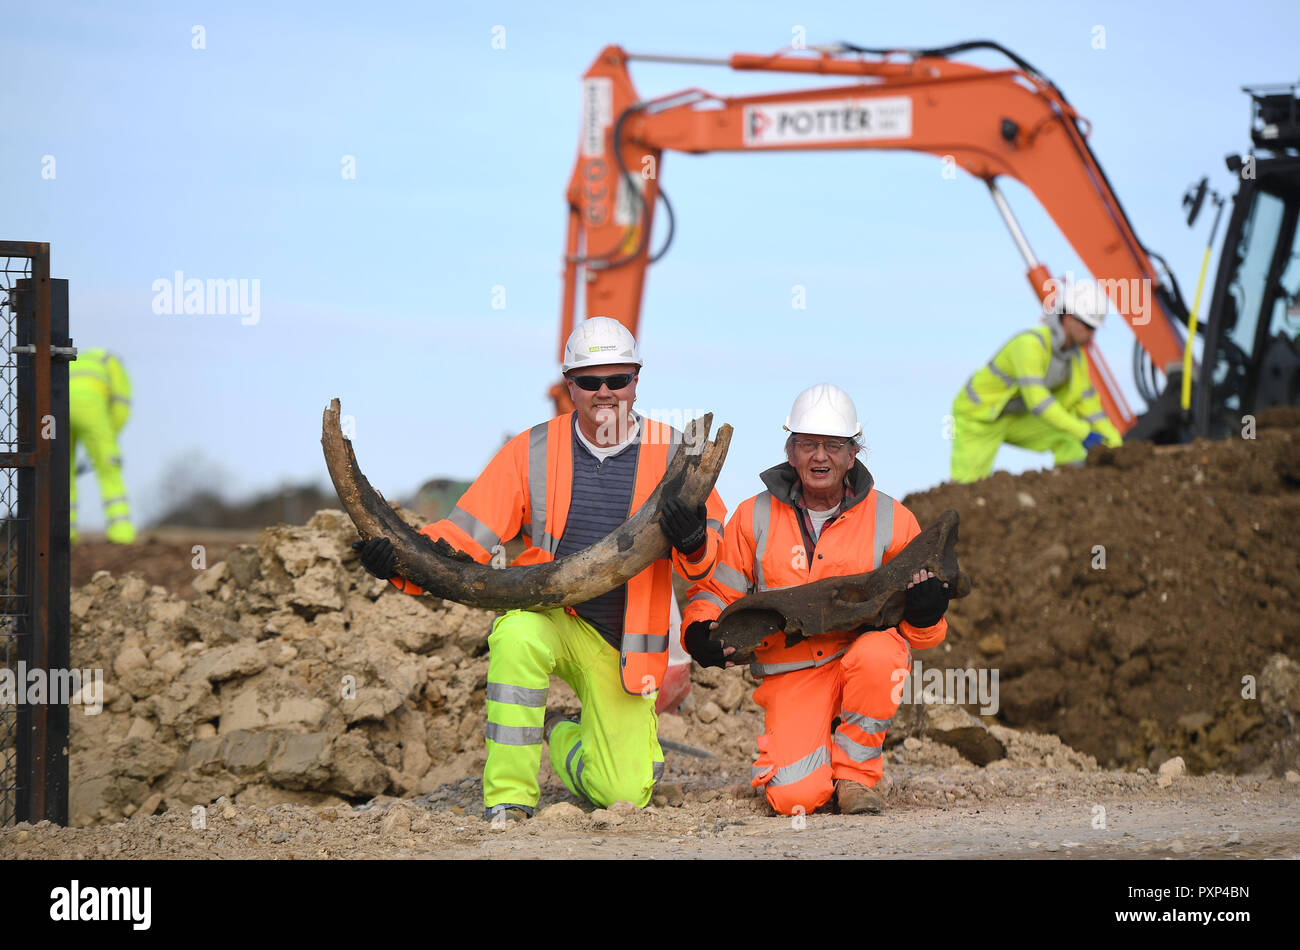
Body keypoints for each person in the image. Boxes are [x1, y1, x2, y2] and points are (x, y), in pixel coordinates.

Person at [355, 317, 726, 820]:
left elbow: (712, 560)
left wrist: (695, 539)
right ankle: (509, 799)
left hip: (622, 646)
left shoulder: (678, 454)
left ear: (636, 381)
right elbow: (466, 536)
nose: (605, 393)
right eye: (590, 381)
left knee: (622, 793)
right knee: (515, 637)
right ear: (569, 386)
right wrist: (400, 562)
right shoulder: (530, 452)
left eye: (618, 380)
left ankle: (561, 735)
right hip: (551, 616)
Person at [681, 383, 949, 816]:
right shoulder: (754, 516)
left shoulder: (892, 519)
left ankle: (854, 777)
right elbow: (716, 590)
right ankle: (819, 747)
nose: (819, 456)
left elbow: (920, 635)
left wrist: (927, 612)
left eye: (832, 445)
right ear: (791, 452)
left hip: (858, 662)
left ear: (852, 454)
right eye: (808, 444)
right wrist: (698, 630)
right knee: (796, 799)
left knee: (881, 655)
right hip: (793, 675)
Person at [949, 278, 1123, 484]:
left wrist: (1117, 445)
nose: (1092, 334)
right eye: (1088, 326)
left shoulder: (1076, 359)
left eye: (1094, 328)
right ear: (1068, 318)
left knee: (1067, 438)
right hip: (978, 418)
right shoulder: (1029, 345)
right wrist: (1085, 433)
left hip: (1015, 418)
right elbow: (1038, 402)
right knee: (966, 487)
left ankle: (1072, 495)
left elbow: (1089, 407)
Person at [69, 348, 135, 544]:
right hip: (92, 410)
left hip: (59, 405)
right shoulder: (111, 361)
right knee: (110, 472)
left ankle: (65, 532)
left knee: (63, 473)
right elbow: (121, 403)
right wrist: (110, 437)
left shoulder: (73, 360)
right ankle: (121, 532)